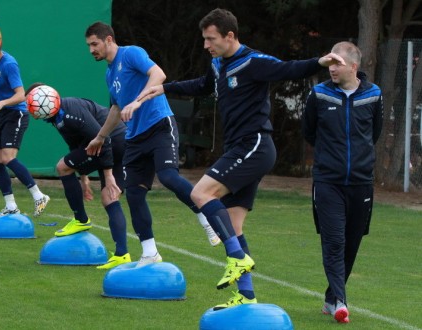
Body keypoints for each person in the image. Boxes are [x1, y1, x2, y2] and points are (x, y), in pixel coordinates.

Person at [136, 8, 345, 310]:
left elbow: (289, 68)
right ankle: (246, 296)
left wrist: (320, 62)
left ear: (230, 36)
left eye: (211, 39)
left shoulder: (254, 62)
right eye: (205, 39)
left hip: (255, 145)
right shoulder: (218, 63)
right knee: (233, 226)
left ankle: (238, 258)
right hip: (238, 148)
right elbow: (202, 85)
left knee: (200, 193)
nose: (206, 45)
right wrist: (163, 89)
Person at [84, 21, 221, 269]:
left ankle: (206, 218)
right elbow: (116, 108)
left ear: (108, 40)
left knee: (168, 176)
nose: (92, 49)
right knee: (134, 194)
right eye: (89, 46)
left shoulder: (131, 53)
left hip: (159, 125)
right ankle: (150, 252)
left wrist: (137, 102)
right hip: (135, 138)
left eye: (94, 44)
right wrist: (100, 137)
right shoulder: (108, 73)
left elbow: (159, 75)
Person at [302, 41, 382, 324]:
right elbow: (308, 131)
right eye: (329, 63)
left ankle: (329, 297)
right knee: (334, 241)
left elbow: (373, 133)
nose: (331, 68)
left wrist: (359, 160)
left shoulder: (374, 95)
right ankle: (340, 301)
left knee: (351, 243)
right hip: (328, 182)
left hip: (361, 183)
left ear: (353, 67)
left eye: (336, 63)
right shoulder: (319, 94)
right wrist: (330, 158)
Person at [27, 83, 130, 269]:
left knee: (62, 167)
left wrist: (108, 176)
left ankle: (81, 220)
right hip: (110, 143)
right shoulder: (56, 117)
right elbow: (76, 147)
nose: (31, 109)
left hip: (115, 142)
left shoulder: (70, 111)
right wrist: (83, 177)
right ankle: (122, 254)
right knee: (109, 197)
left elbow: (103, 140)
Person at [0, 48, 49, 216]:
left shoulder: (9, 64)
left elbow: (21, 95)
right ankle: (11, 206)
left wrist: (1, 103)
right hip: (1, 114)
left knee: (7, 158)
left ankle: (39, 196)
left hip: (15, 113)